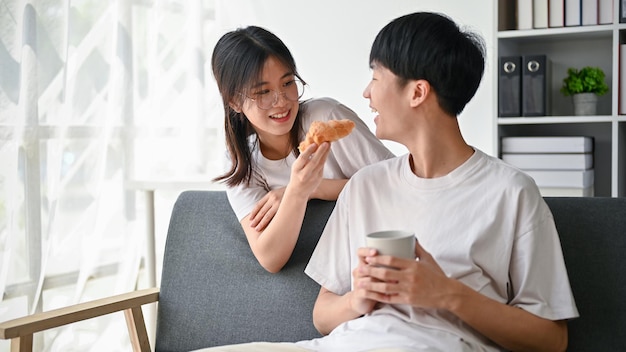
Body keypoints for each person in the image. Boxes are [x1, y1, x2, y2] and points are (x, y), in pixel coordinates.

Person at [198, 12, 578, 352]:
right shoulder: (365, 186)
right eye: (263, 92)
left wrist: (447, 294)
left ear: (417, 92)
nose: (366, 93)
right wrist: (358, 300)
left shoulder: (510, 193)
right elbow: (322, 315)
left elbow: (552, 339)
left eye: (375, 77)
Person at [211, 26, 394, 273]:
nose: (282, 100)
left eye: (288, 82)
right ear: (234, 101)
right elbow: (270, 258)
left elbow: (395, 185)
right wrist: (297, 192)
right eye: (263, 91)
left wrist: (310, 189)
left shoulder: (325, 119)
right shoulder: (240, 161)